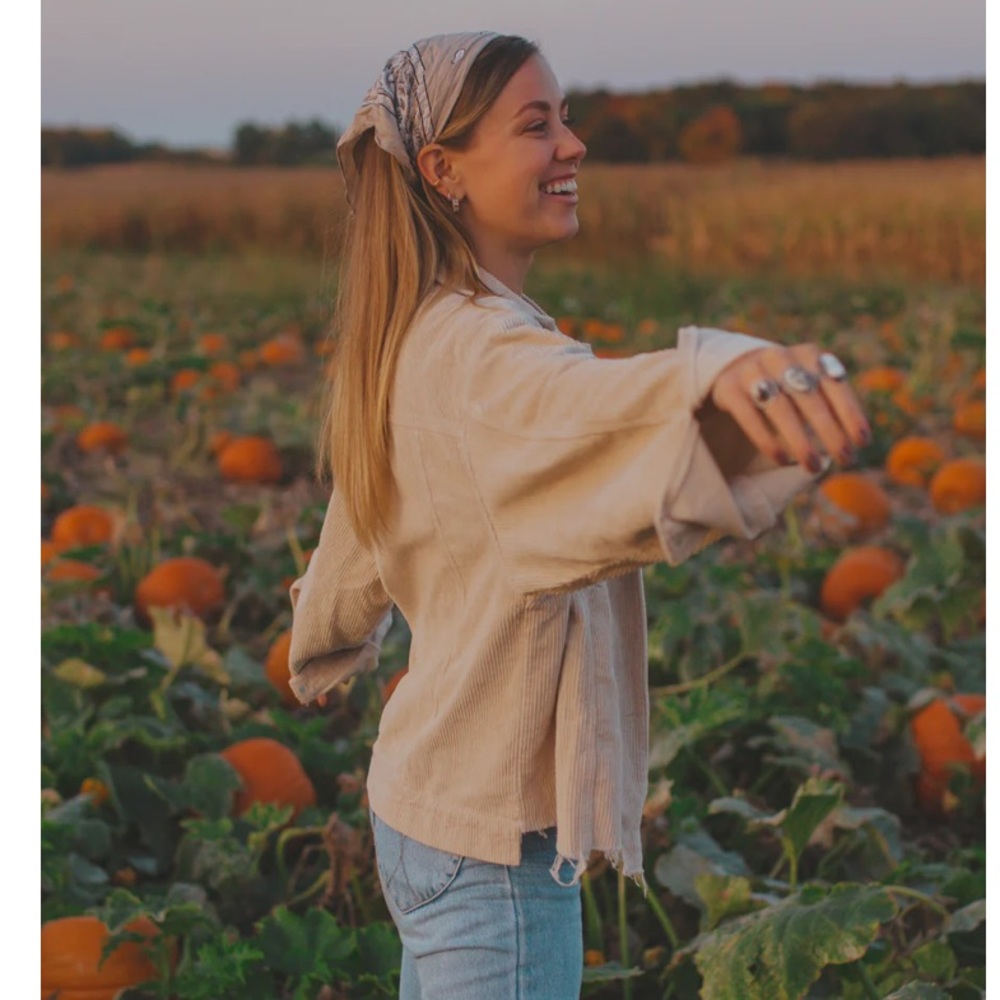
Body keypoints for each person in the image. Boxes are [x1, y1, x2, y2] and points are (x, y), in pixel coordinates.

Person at [287, 30, 871, 1000]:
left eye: (563, 118)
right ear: (444, 170)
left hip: (420, 810)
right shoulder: (483, 358)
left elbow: (357, 524)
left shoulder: (414, 329)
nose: (573, 144)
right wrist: (710, 371)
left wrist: (320, 631)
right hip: (491, 864)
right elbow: (577, 412)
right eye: (534, 125)